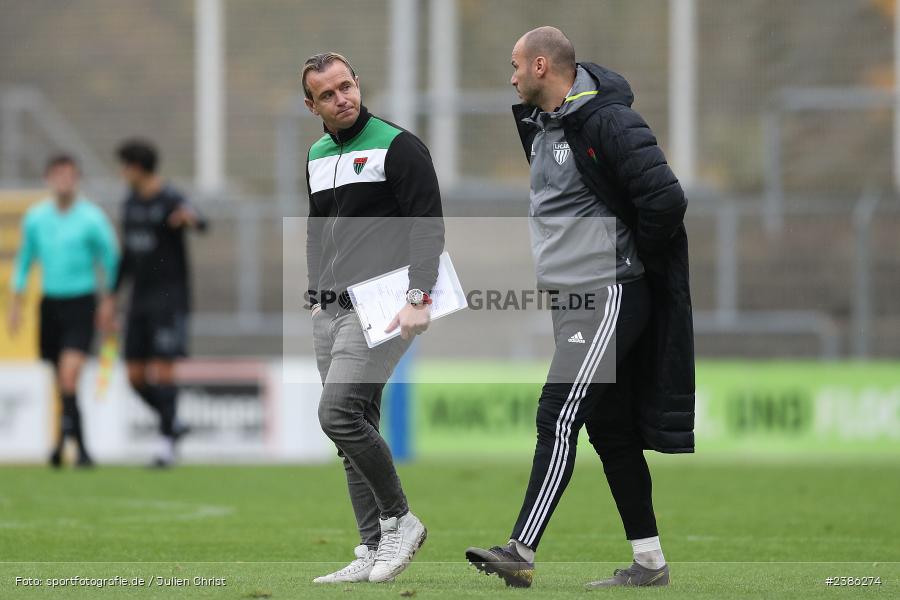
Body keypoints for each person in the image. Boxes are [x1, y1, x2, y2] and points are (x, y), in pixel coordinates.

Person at [465, 27, 695, 589]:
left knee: (558, 411)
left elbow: (665, 199)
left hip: (609, 290)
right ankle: (649, 565)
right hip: (574, 297)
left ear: (542, 66)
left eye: (515, 64)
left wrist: (624, 255)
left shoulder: (608, 121)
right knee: (609, 430)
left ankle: (520, 550)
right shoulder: (542, 126)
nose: (511, 75)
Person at [302, 52, 444, 584]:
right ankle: (371, 546)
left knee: (337, 414)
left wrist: (419, 295)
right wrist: (315, 294)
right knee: (352, 429)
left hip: (384, 305)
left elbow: (428, 226)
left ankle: (401, 522)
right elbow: (318, 228)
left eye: (347, 86)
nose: (343, 99)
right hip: (331, 309)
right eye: (329, 94)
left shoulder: (398, 146)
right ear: (311, 104)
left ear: (358, 83)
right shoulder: (317, 152)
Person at [7, 154, 119, 468]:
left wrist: (110, 301)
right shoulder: (36, 218)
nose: (63, 181)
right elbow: (25, 261)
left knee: (70, 375)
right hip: (50, 303)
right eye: (58, 175)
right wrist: (15, 306)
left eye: (69, 175)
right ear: (48, 179)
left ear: (77, 179)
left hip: (81, 302)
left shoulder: (92, 219)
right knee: (60, 378)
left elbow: (111, 260)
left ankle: (79, 448)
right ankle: (63, 444)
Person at [110, 139, 207, 468]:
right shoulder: (130, 203)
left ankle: (165, 442)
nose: (122, 172)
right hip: (139, 299)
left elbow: (201, 221)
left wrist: (190, 219)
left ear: (136, 167)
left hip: (170, 298)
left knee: (164, 370)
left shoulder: (170, 198)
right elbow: (127, 254)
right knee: (135, 375)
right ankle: (174, 423)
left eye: (124, 165)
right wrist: (111, 296)